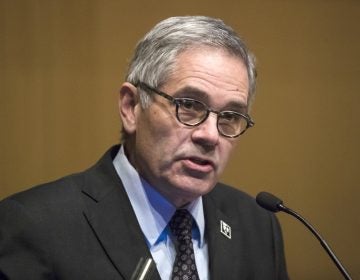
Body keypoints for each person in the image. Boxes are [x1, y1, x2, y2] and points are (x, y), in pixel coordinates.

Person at [0, 16, 288, 279]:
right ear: (131, 107)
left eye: (230, 116)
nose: (210, 135)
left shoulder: (258, 227)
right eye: (188, 105)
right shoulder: (33, 226)